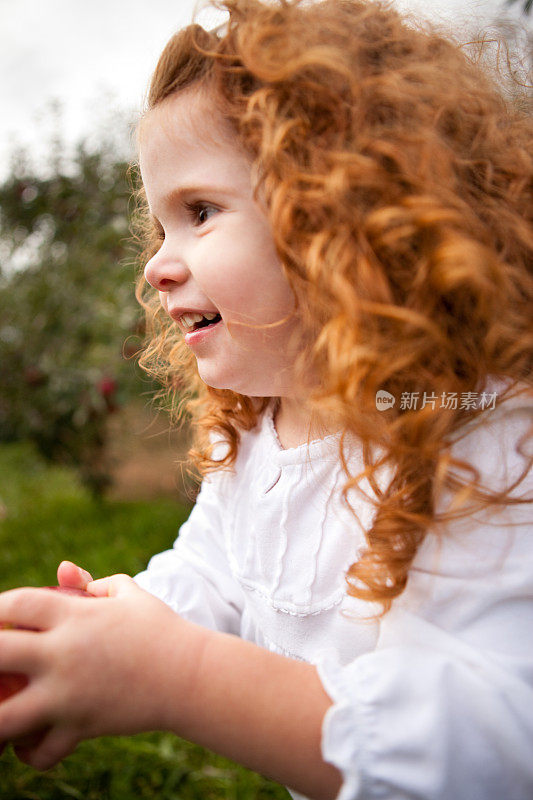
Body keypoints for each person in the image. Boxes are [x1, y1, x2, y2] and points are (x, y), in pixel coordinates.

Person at [0, 1, 532, 798]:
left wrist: (176, 675)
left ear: (343, 214)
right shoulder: (259, 431)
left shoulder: (484, 435)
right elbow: (213, 573)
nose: (156, 265)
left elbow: (491, 743)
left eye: (200, 212)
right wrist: (114, 624)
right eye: (160, 227)